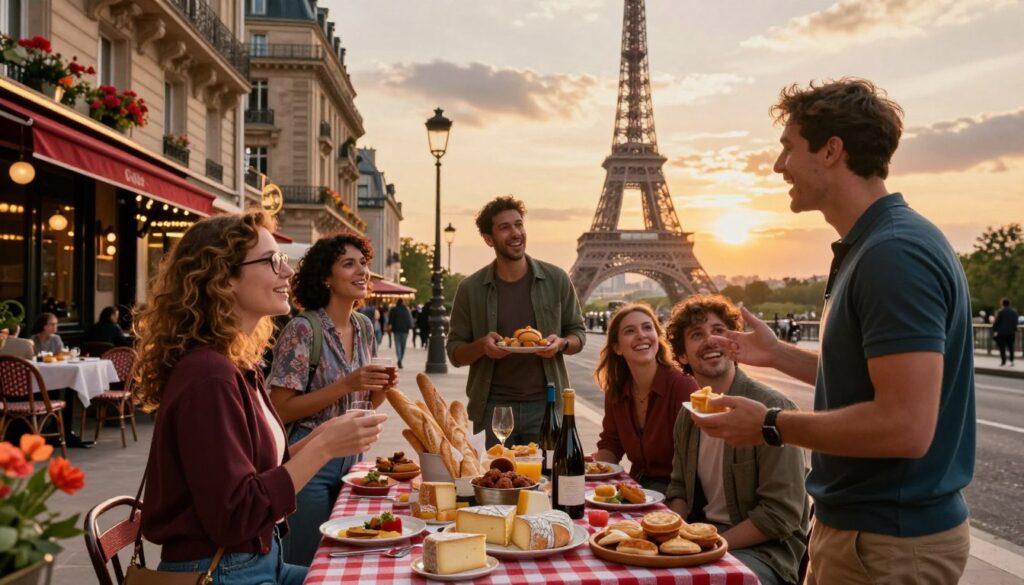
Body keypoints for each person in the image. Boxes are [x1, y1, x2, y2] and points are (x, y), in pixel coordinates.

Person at [693, 79, 975, 585]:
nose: (778, 166)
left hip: (888, 544)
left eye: (787, 147)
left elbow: (905, 425)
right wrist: (779, 355)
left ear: (831, 150)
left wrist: (770, 425)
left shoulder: (893, 255)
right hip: (867, 535)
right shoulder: (875, 246)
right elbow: (869, 381)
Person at [133, 211, 387, 584]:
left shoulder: (234, 365)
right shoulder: (209, 376)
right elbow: (236, 516)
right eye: (272, 262)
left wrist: (326, 435)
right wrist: (323, 448)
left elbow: (263, 474)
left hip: (255, 563)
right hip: (220, 571)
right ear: (224, 277)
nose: (286, 273)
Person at [267, 232, 394, 566]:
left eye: (363, 263)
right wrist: (346, 384)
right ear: (326, 277)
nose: (362, 271)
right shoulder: (303, 329)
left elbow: (364, 403)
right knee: (309, 561)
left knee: (346, 557)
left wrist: (382, 388)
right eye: (349, 264)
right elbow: (278, 409)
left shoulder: (365, 327)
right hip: (308, 459)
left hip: (354, 461)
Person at [665, 295, 809, 585]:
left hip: (764, 553)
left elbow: (779, 516)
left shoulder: (772, 411)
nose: (711, 340)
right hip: (702, 537)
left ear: (734, 342)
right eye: (697, 335)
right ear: (681, 356)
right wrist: (673, 536)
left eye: (719, 331)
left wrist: (704, 545)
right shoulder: (688, 416)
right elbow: (679, 486)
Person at [447, 196, 586, 446]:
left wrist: (561, 344)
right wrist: (482, 346)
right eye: (504, 227)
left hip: (548, 406)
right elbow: (455, 353)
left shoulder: (557, 279)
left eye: (519, 224)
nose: (515, 233)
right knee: (496, 482)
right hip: (493, 409)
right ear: (489, 239)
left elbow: (578, 334)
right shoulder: (470, 289)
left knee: (547, 482)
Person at [593, 303, 697, 493]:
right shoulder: (616, 390)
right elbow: (611, 442)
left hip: (679, 492)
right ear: (617, 347)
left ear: (658, 337)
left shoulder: (682, 386)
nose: (641, 335)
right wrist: (596, 476)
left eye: (647, 327)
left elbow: (694, 460)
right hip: (639, 488)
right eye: (630, 331)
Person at [992, 297, 1019, 367]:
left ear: (1002, 304)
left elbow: (996, 322)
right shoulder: (1014, 312)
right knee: (1011, 347)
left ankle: (1003, 361)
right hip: (1011, 332)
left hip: (1001, 333)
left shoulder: (1000, 312)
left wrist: (994, 329)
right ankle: (1012, 360)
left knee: (1002, 348)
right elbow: (1016, 322)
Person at [387, 298, 414, 368]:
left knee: (397, 344)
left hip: (396, 330)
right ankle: (400, 359)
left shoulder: (394, 309)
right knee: (403, 346)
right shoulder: (406, 310)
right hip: (405, 330)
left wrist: (389, 325)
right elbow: (409, 319)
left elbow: (391, 319)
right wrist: (410, 327)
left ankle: (399, 358)